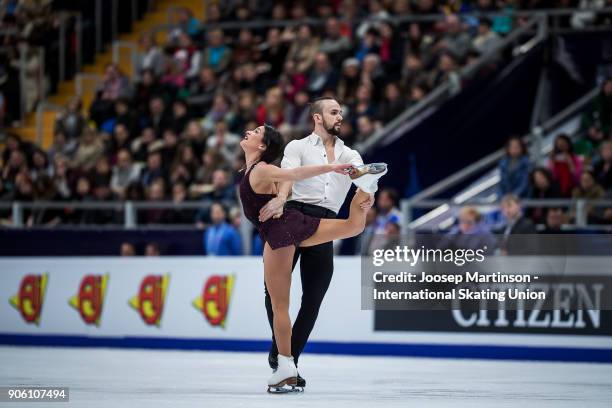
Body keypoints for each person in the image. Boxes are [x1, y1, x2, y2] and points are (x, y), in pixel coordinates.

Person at [239, 121, 385, 391]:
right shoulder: (255, 169)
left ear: (262, 146)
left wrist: (331, 167)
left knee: (279, 304)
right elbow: (287, 180)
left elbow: (294, 174)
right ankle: (367, 187)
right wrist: (282, 197)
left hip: (280, 233)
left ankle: (285, 366)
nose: (250, 131)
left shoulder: (260, 170)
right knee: (353, 226)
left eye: (256, 132)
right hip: (294, 220)